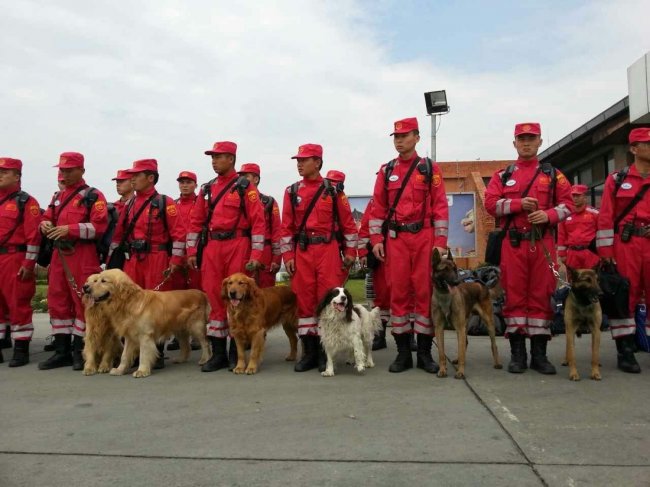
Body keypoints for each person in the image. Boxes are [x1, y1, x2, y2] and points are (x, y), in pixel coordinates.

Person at [485, 123, 573, 375]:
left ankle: (539, 355)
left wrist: (547, 215)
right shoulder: (502, 175)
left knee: (541, 295)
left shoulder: (553, 174)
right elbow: (490, 204)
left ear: (540, 142)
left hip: (542, 243)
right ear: (514, 143)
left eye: (531, 139)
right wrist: (517, 204)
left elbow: (568, 205)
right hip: (512, 244)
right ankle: (517, 354)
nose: (526, 143)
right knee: (514, 296)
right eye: (521, 139)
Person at [369, 117, 449, 373]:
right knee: (398, 293)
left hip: (424, 237)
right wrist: (375, 240)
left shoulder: (429, 168)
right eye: (395, 136)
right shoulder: (386, 171)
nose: (399, 140)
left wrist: (440, 242)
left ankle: (424, 354)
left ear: (417, 137)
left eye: (404, 136)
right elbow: (377, 208)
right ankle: (403, 353)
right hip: (396, 240)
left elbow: (439, 206)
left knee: (424, 293)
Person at [186, 141, 265, 372]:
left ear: (231, 159)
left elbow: (258, 222)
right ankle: (218, 353)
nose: (213, 160)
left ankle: (235, 353)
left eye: (218, 156)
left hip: (238, 244)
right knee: (214, 295)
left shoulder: (244, 186)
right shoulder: (207, 188)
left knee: (237, 298)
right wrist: (191, 251)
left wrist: (256, 254)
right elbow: (196, 221)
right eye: (212, 157)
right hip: (212, 247)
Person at [279, 144, 358, 372]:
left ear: (318, 162)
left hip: (328, 251)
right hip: (303, 253)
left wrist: (351, 252)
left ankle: (327, 354)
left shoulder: (333, 191)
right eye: (298, 160)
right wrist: (287, 255)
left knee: (328, 301)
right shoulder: (292, 191)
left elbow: (348, 225)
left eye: (305, 160)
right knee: (304, 302)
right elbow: (287, 228)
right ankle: (309, 353)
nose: (299, 163)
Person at [109, 159, 186, 369]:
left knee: (156, 307)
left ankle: (157, 354)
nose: (132, 178)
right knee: (130, 304)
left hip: (157, 258)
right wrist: (111, 261)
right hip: (133, 260)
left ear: (150, 178)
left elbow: (179, 235)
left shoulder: (165, 202)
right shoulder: (130, 204)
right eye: (131, 175)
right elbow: (118, 235)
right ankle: (133, 353)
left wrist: (175, 261)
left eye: (137, 175)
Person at [38, 152, 109, 371]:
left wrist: (71, 229)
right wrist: (45, 225)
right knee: (57, 300)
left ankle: (81, 351)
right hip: (59, 256)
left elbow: (99, 227)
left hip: (82, 254)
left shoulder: (93, 196)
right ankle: (61, 351)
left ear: (82, 171)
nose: (64, 174)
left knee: (83, 302)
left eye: (69, 170)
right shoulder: (57, 197)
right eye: (61, 170)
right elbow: (46, 216)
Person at [596, 127, 650, 373]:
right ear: (633, 149)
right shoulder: (617, 179)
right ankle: (625, 352)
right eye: (645, 144)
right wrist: (606, 253)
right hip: (626, 245)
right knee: (624, 297)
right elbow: (606, 217)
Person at [0, 158, 42, 367]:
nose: (0, 175)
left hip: (14, 258)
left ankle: (21, 348)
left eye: (5, 172)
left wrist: (28, 263)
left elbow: (33, 236)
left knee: (18, 304)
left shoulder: (26, 202)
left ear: (17, 176)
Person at [168, 170, 201, 351]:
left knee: (196, 295)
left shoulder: (200, 203)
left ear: (195, 185)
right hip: (177, 255)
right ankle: (179, 335)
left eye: (188, 182)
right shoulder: (172, 205)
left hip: (195, 256)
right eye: (181, 182)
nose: (184, 185)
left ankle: (198, 333)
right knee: (177, 296)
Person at [237, 163, 281, 288]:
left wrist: (276, 259)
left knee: (265, 292)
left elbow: (277, 231)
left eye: (246, 176)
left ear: (256, 179)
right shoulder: (236, 200)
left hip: (264, 253)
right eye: (240, 176)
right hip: (241, 248)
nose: (242, 179)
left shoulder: (269, 202)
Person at [358, 198, 390, 350]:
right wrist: (363, 253)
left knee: (407, 294)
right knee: (381, 297)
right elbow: (365, 228)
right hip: (380, 254)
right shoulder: (374, 203)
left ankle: (409, 338)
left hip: (402, 251)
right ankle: (379, 336)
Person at [557, 184, 600, 270]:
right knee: (573, 281)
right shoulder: (566, 215)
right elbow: (562, 235)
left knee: (592, 280)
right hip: (572, 255)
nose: (575, 198)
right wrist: (562, 254)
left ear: (585, 197)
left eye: (578, 196)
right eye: (573, 196)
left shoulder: (595, 213)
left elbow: (601, 233)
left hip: (590, 253)